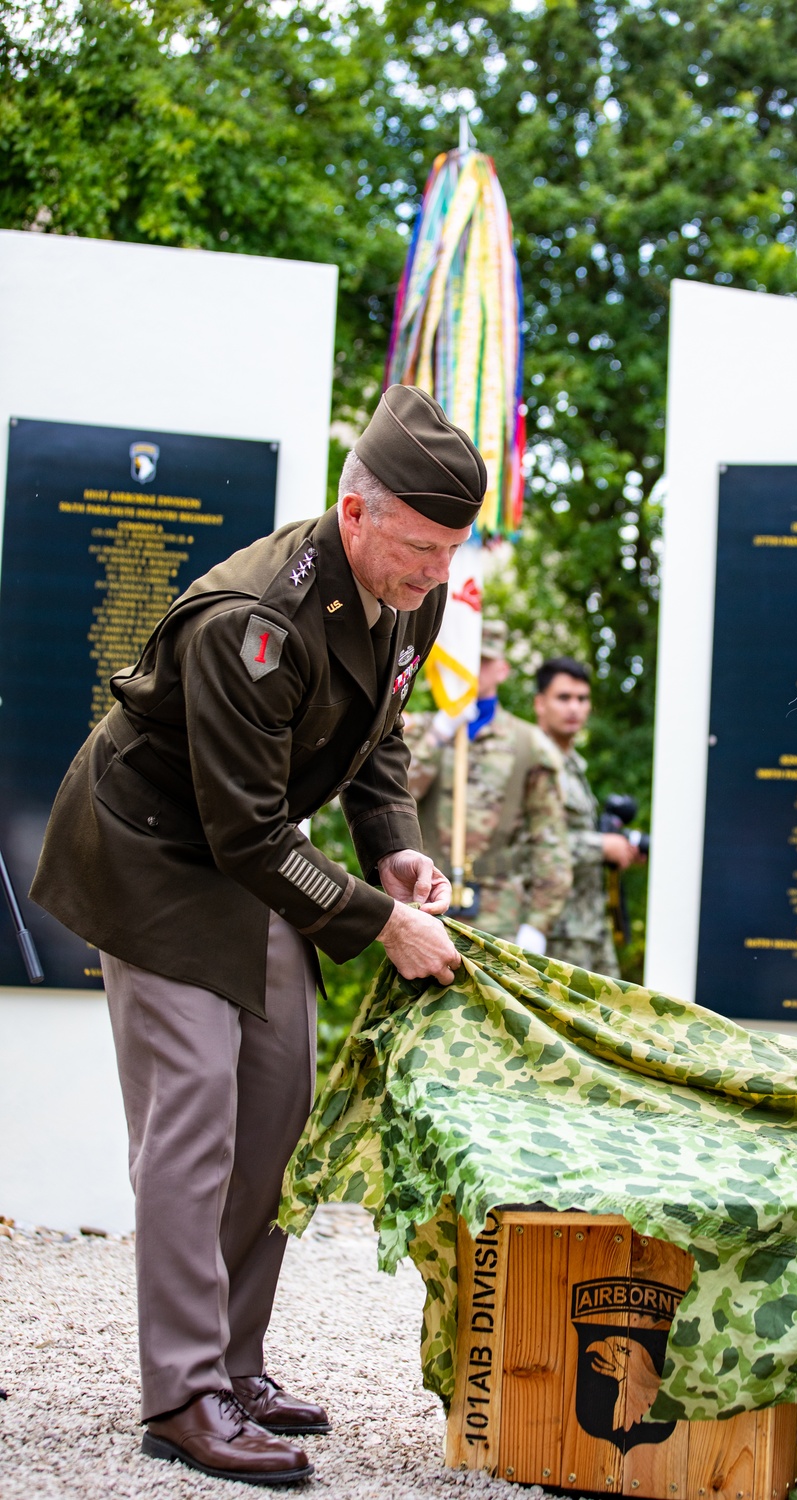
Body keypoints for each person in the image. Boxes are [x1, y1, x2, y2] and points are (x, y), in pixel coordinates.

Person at [29, 385, 486, 1485]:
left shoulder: (406, 593)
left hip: (256, 853)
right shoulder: (254, 620)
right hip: (153, 855)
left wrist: (393, 847)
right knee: (196, 1116)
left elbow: (378, 740)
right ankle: (182, 1395)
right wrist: (387, 926)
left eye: (448, 554)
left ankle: (235, 1365)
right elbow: (243, 833)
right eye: (419, 549)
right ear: (355, 509)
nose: (433, 575)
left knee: (279, 1103)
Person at [405, 619, 572, 952]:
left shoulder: (530, 743)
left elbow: (550, 842)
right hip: (424, 904)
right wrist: (438, 734)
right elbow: (393, 798)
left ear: (503, 670)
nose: (471, 669)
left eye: (482, 661)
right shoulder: (419, 732)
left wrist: (537, 924)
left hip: (499, 914)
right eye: (464, 659)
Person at [533, 656, 643, 977]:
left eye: (582, 699)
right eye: (563, 698)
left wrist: (618, 850)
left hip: (588, 927)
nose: (574, 708)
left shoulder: (573, 765)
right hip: (552, 931)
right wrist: (602, 847)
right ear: (540, 704)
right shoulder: (533, 760)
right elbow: (527, 842)